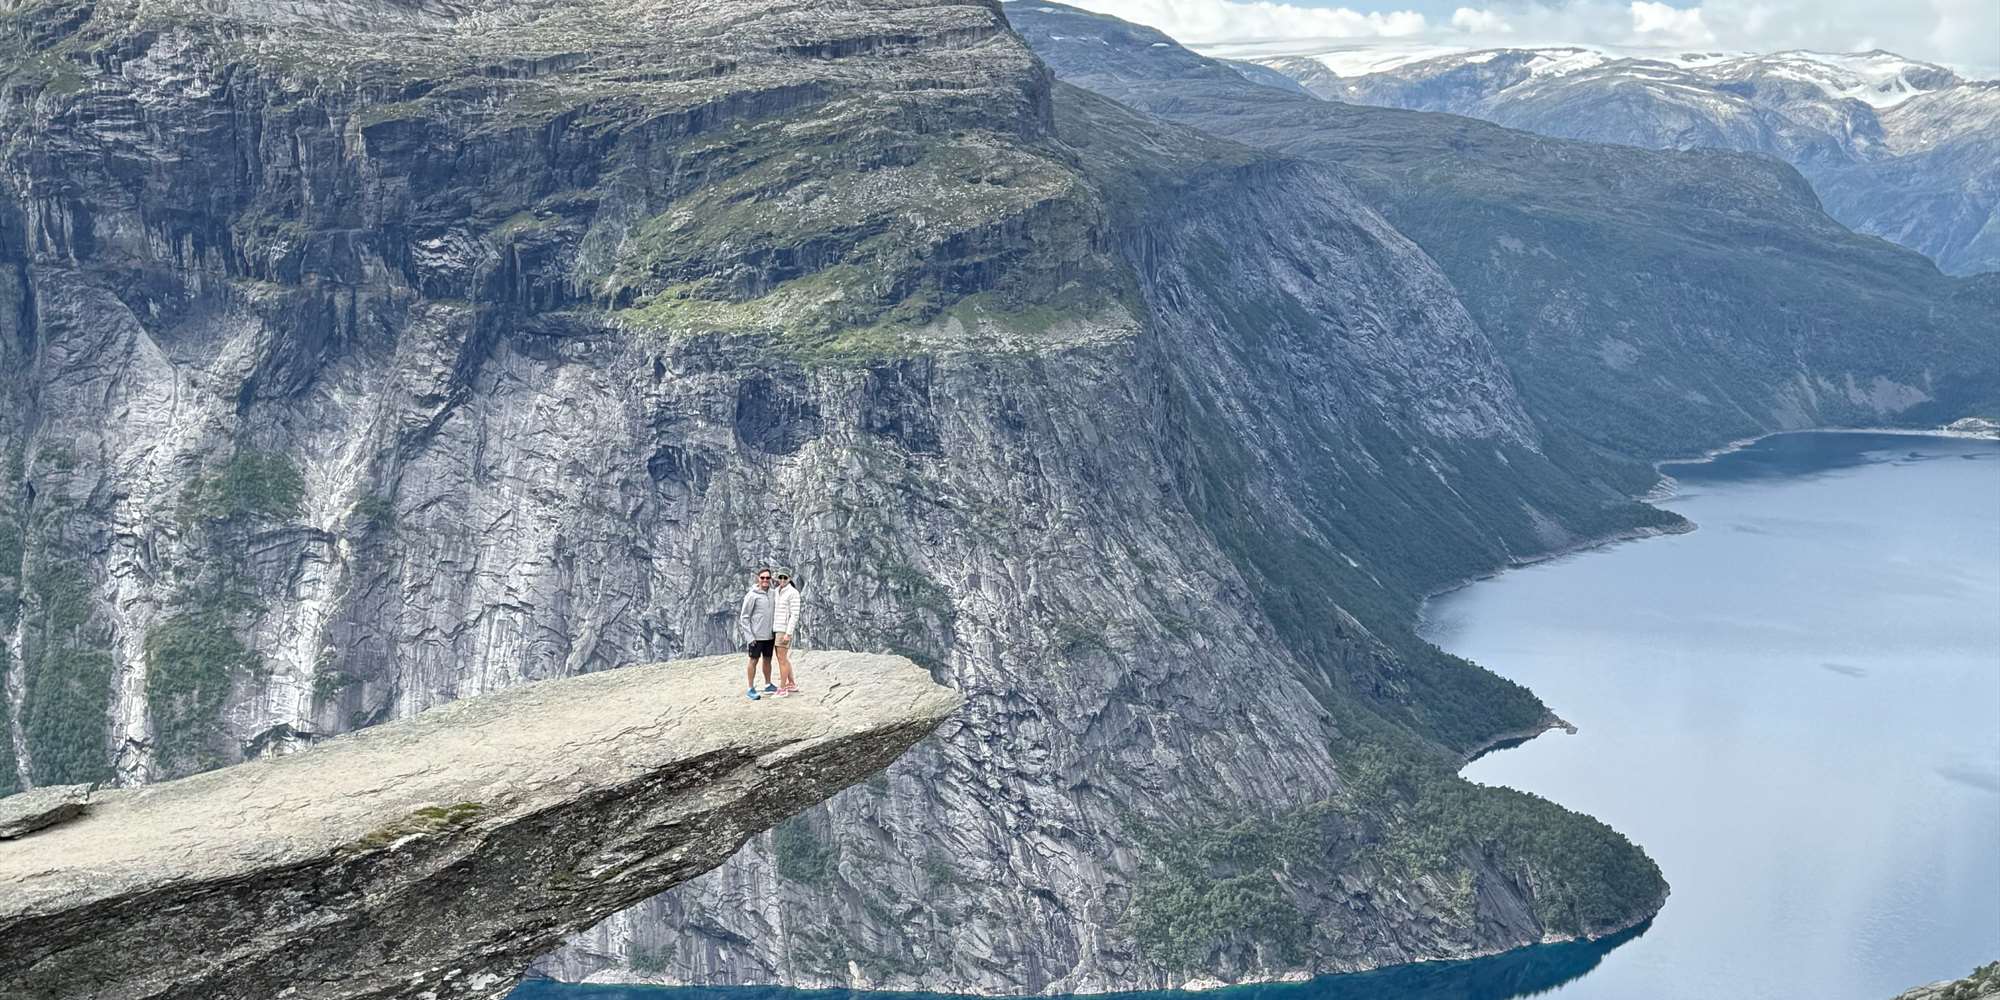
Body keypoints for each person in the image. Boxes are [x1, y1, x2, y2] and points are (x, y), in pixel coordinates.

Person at [738, 568, 777, 700]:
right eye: (762, 578)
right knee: (753, 660)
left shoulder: (773, 594)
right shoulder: (752, 595)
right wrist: (749, 637)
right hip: (756, 636)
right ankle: (750, 688)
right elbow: (744, 617)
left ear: (771, 579)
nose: (765, 580)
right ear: (758, 579)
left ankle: (768, 684)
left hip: (769, 635)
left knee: (767, 659)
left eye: (767, 578)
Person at [771, 571, 802, 695]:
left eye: (785, 577)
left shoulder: (793, 593)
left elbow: (795, 615)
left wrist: (788, 633)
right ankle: (792, 684)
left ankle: (782, 688)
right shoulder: (777, 591)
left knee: (782, 659)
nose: (782, 580)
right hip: (776, 628)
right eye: (780, 577)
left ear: (789, 578)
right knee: (782, 658)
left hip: (783, 629)